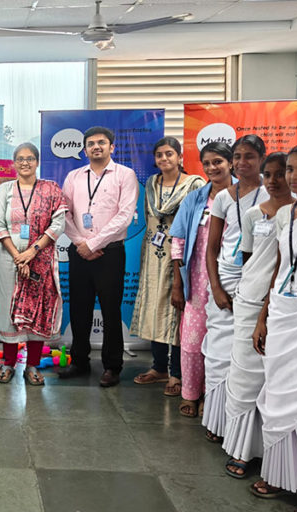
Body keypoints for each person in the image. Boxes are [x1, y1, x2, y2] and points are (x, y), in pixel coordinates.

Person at [253, 145, 297, 511]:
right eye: (290, 169)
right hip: (283, 315)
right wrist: (263, 317)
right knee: (278, 397)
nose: (294, 176)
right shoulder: (287, 215)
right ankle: (280, 474)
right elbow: (280, 270)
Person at [222, 152, 292, 480]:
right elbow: (249, 259)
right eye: (269, 175)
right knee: (243, 375)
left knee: (276, 379)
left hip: (284, 305)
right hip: (249, 299)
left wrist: (270, 303)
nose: (274, 180)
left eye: (281, 173)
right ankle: (241, 449)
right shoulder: (252, 214)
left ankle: (272, 453)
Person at [59, 126, 138, 387]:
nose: (96, 147)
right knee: (79, 308)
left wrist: (93, 244)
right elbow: (65, 213)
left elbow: (124, 216)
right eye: (91, 143)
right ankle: (79, 361)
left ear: (111, 147)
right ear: (85, 150)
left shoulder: (125, 175)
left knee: (110, 310)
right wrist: (81, 244)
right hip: (79, 251)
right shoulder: (74, 176)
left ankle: (112, 366)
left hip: (110, 253)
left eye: (101, 142)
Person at [203, 135, 268, 443]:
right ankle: (217, 422)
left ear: (262, 159)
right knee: (218, 356)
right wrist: (216, 287)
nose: (242, 162)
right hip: (225, 279)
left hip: (256, 282)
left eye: (249, 156)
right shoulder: (224, 197)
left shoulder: (275, 194)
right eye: (238, 156)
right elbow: (212, 248)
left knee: (247, 360)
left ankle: (242, 431)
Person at [131, 138, 205, 395]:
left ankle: (178, 373)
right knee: (155, 308)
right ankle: (159, 367)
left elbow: (197, 223)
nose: (164, 159)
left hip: (181, 256)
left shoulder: (195, 185)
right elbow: (149, 217)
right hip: (153, 255)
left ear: (180, 157)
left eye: (169, 154)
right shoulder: (152, 184)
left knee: (178, 310)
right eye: (160, 155)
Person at [0, 143, 67, 386]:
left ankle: (32, 365)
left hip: (41, 259)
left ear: (37, 162)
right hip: (9, 259)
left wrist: (32, 252)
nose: (25, 162)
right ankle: (8, 363)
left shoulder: (51, 188)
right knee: (8, 309)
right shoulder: (4, 189)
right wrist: (18, 256)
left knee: (38, 310)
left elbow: (58, 223)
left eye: (30, 158)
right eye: (20, 159)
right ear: (14, 163)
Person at [170, 142, 234, 418]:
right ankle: (190, 393)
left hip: (231, 279)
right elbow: (178, 241)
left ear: (231, 163)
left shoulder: (244, 196)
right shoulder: (195, 199)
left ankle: (213, 395)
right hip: (196, 279)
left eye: (217, 161)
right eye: (206, 163)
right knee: (192, 341)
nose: (212, 168)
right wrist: (177, 284)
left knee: (222, 342)